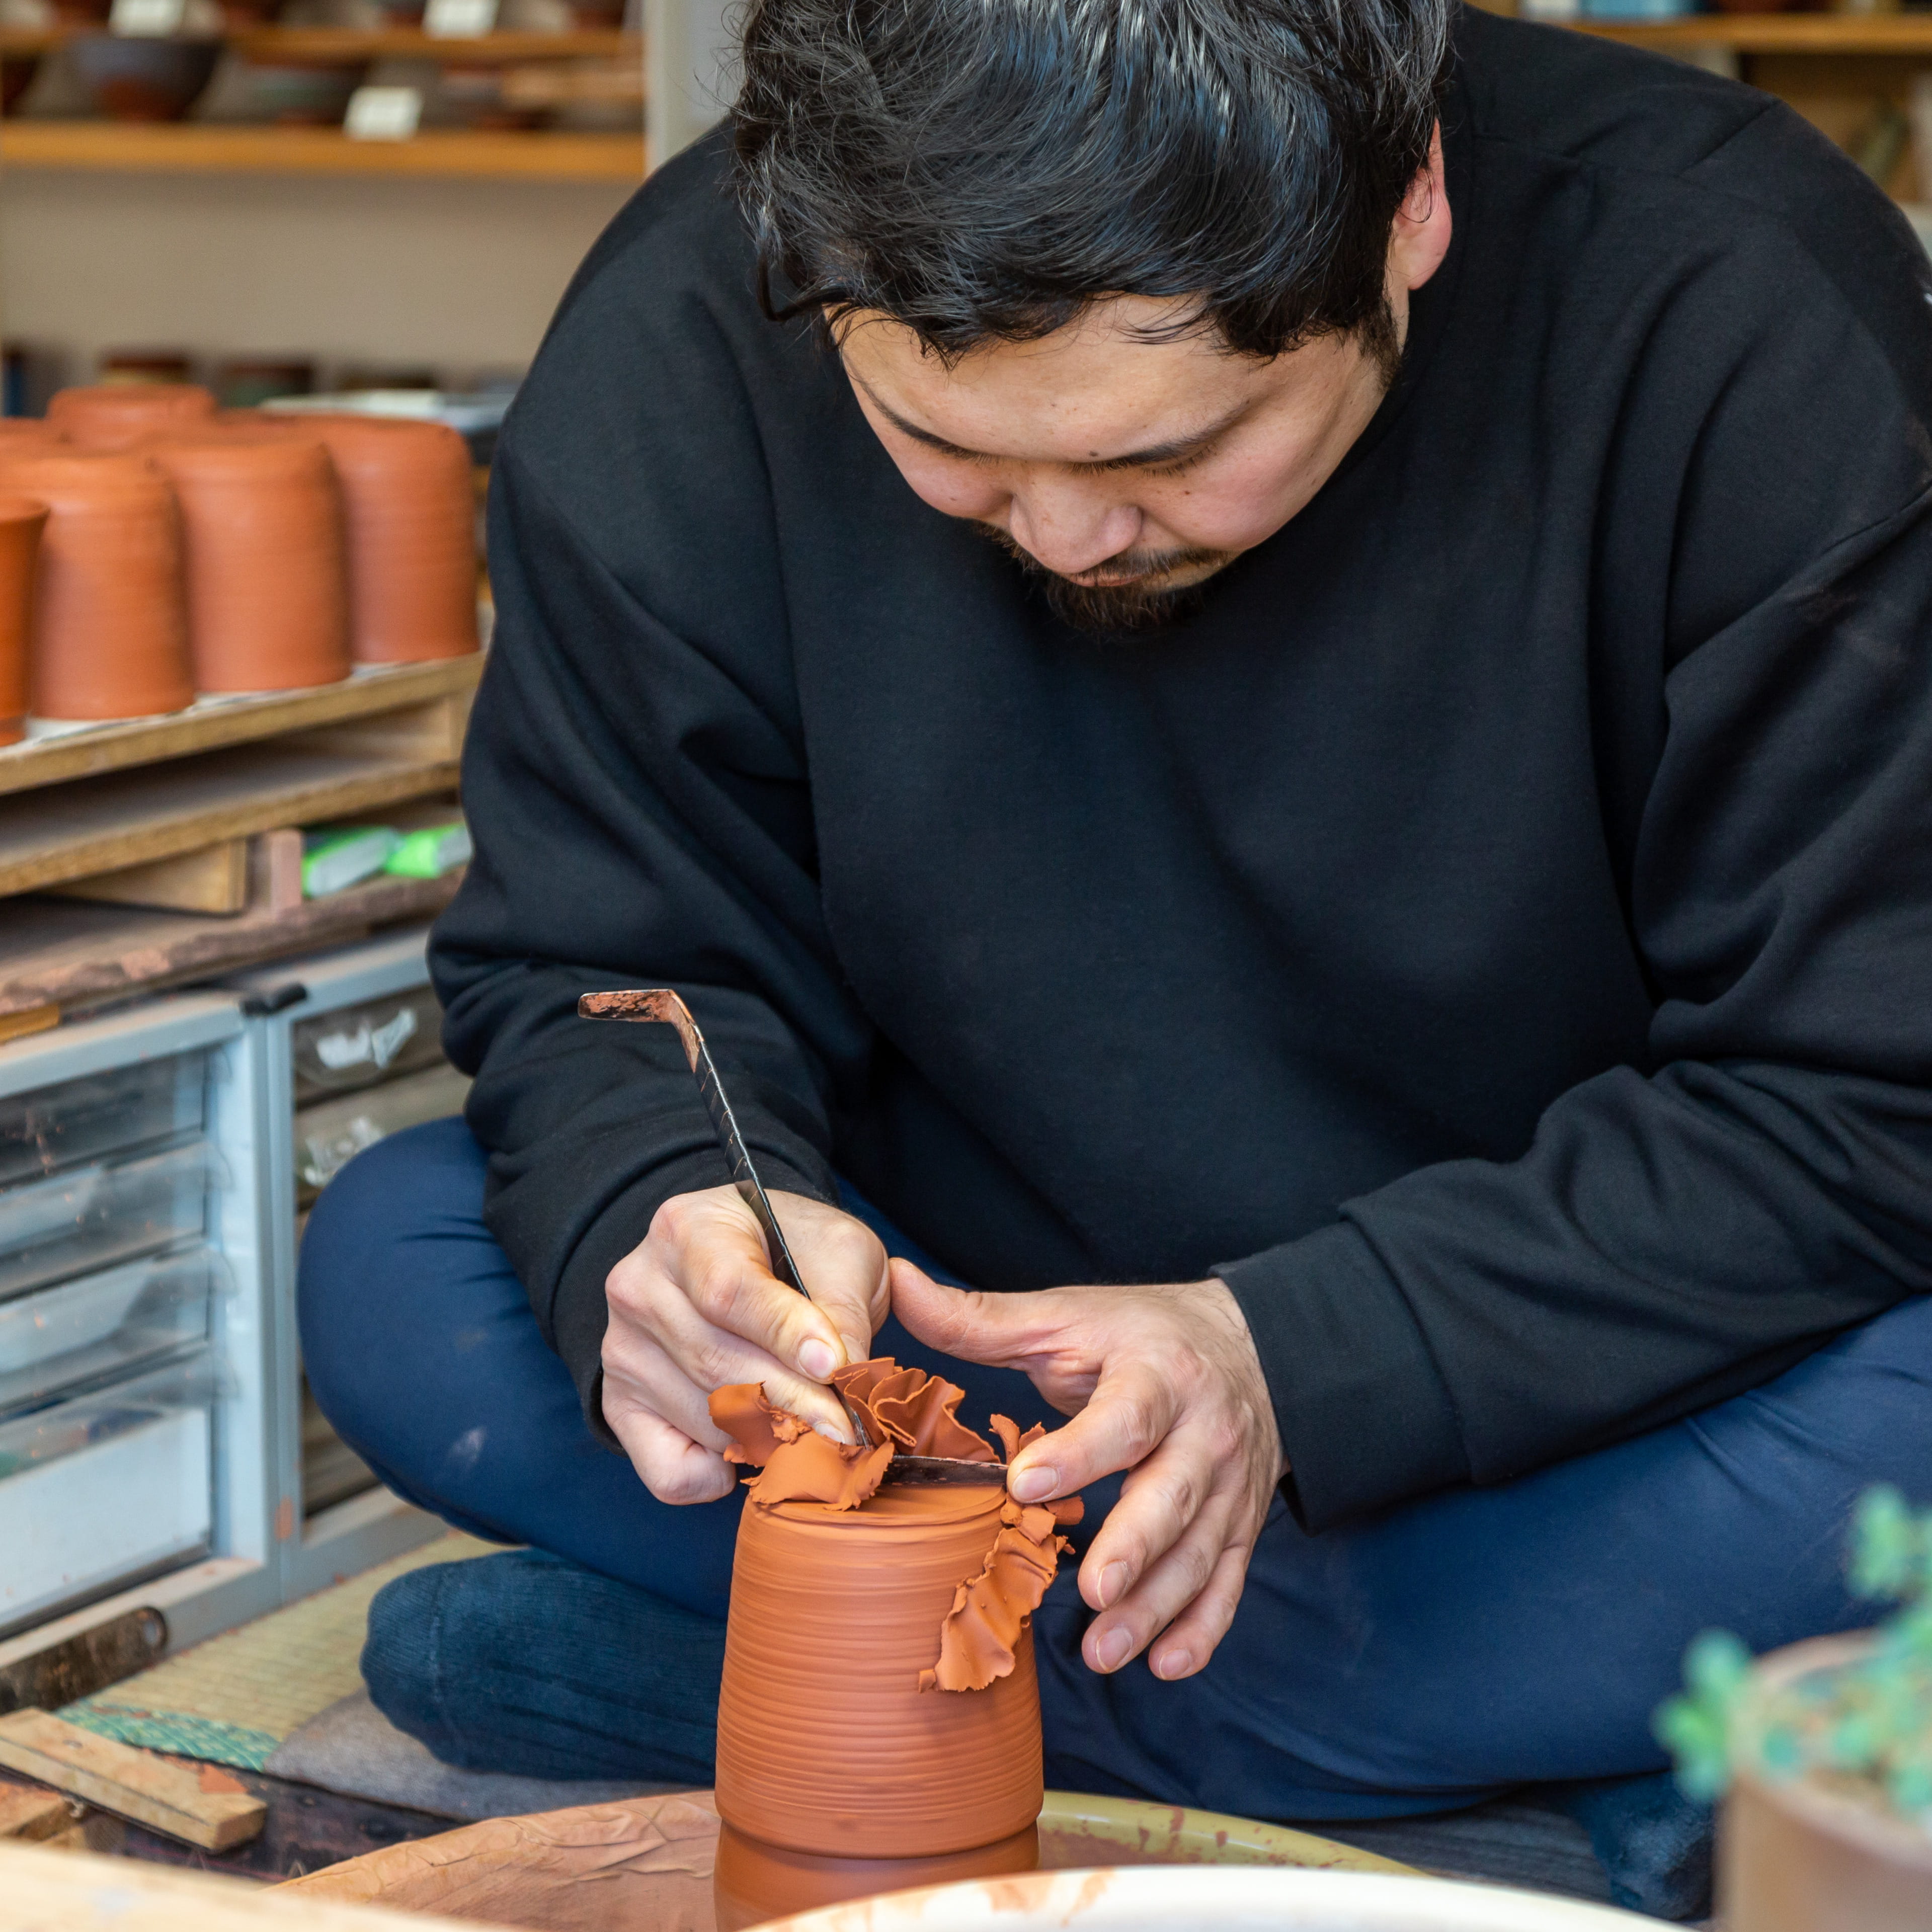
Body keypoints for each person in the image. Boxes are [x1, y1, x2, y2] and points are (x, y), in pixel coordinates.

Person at [300, 0, 1932, 1914]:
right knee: (398, 1263)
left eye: (1181, 448)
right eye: (944, 444)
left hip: (1555, 1368)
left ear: (1409, 207)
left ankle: (878, 1678)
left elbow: (1863, 1085)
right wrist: (679, 1211)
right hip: (985, 1341)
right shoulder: (692, 310)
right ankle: (1529, 1739)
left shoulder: (1736, 301)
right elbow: (608, 955)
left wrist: (1286, 1355)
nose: (1071, 539)